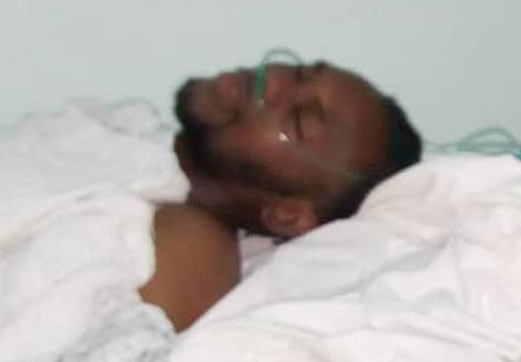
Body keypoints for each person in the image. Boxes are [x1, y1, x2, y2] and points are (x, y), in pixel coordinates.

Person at [140, 60, 422, 330]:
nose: (272, 80)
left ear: (288, 214)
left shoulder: (191, 249)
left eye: (299, 121)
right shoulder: (142, 149)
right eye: (299, 73)